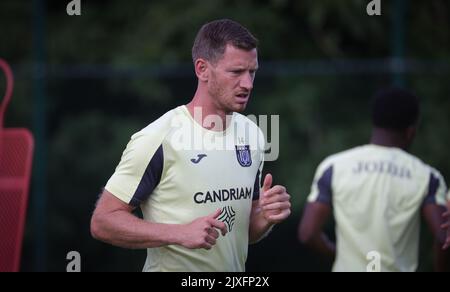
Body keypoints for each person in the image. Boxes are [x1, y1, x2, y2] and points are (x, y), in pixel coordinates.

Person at [90, 19, 291, 272]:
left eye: (252, 72)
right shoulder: (159, 138)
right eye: (236, 72)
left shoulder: (253, 133)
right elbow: (103, 222)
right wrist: (179, 233)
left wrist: (265, 217)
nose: (248, 84)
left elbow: (241, 232)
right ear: (202, 69)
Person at [298, 88, 449, 272]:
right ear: (411, 132)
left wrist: (338, 255)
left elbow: (307, 233)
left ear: (375, 123)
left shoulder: (333, 167)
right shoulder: (427, 177)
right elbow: (444, 238)